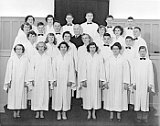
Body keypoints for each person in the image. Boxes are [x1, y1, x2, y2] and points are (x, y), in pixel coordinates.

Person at [103, 42, 130, 121]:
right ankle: (111, 114)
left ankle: (118, 114)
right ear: (112, 49)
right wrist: (106, 82)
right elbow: (106, 71)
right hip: (111, 82)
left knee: (119, 97)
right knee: (111, 97)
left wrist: (125, 82)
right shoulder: (108, 59)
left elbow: (126, 71)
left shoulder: (124, 60)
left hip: (120, 82)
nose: (115, 50)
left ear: (120, 50)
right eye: (114, 49)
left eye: (117, 49)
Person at [79, 42, 105, 120]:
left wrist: (101, 80)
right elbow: (83, 69)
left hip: (96, 79)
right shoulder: (85, 57)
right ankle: (89, 112)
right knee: (88, 96)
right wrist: (83, 80)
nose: (92, 49)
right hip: (88, 80)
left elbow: (102, 69)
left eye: (94, 47)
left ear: (96, 48)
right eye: (91, 47)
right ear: (88, 48)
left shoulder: (99, 57)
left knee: (95, 95)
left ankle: (94, 112)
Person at [29, 42, 54, 119]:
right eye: (39, 46)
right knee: (36, 95)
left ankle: (42, 111)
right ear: (37, 47)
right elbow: (31, 69)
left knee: (44, 95)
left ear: (44, 47)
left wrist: (50, 80)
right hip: (36, 79)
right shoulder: (33, 57)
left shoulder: (48, 57)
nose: (41, 48)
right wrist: (31, 79)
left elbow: (50, 69)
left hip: (45, 79)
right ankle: (37, 111)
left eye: (42, 47)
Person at [4, 44, 29, 118]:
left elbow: (28, 71)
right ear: (15, 50)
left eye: (20, 49)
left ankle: (18, 111)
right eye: (17, 49)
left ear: (23, 50)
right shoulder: (12, 59)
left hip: (22, 81)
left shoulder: (26, 59)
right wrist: (8, 81)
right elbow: (8, 71)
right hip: (13, 81)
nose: (19, 50)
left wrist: (26, 81)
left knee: (21, 96)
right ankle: (14, 111)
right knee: (14, 96)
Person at [51, 42, 75, 120]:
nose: (63, 48)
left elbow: (72, 70)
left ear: (67, 48)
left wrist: (70, 80)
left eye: (65, 47)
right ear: (59, 48)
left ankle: (64, 112)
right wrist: (54, 80)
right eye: (62, 47)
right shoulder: (56, 58)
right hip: (58, 79)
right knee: (57, 96)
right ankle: (58, 112)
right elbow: (53, 69)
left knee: (66, 96)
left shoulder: (70, 58)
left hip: (66, 80)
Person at [132, 46, 154, 123]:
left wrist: (150, 84)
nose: (142, 53)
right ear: (138, 52)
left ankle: (144, 116)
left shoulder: (149, 62)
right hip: (137, 83)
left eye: (144, 51)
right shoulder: (135, 61)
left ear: (146, 52)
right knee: (137, 99)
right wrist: (134, 83)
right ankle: (138, 116)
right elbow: (133, 73)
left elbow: (151, 73)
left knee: (145, 99)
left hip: (145, 83)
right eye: (141, 51)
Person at [77, 33, 92, 98]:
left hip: (90, 68)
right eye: (83, 38)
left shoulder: (92, 47)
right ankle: (84, 99)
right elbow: (78, 59)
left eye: (86, 38)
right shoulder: (80, 48)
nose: (84, 39)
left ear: (89, 39)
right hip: (81, 67)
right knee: (82, 83)